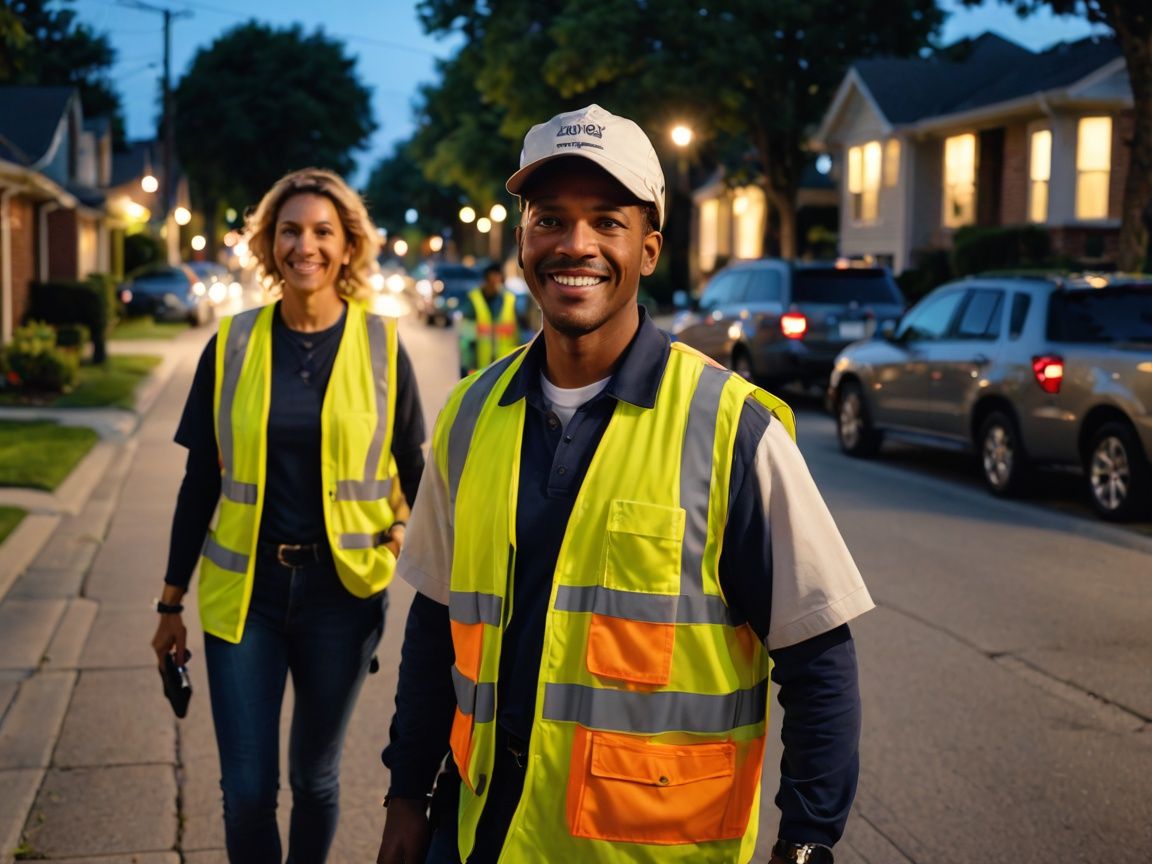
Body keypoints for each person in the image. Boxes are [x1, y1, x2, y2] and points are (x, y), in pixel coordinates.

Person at [376, 104, 872, 864]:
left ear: (649, 248)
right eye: (550, 219)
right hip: (479, 832)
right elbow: (433, 623)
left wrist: (806, 845)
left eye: (607, 220)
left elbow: (820, 659)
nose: (576, 245)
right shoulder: (469, 416)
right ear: (521, 242)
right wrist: (407, 795)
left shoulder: (732, 430)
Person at [151, 167, 426, 863]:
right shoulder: (232, 345)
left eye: (323, 231)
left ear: (348, 246)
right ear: (270, 245)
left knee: (315, 778)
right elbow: (196, 484)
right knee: (246, 791)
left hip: (344, 598)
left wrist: (412, 540)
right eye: (290, 230)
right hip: (247, 599)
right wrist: (169, 602)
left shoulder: (384, 347)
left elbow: (415, 475)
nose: (306, 245)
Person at [455, 263, 532, 377]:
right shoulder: (473, 301)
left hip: (506, 370)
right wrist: (467, 369)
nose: (495, 284)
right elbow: (465, 341)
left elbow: (522, 336)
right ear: (485, 281)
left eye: (497, 279)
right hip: (480, 372)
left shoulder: (510, 300)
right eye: (491, 280)